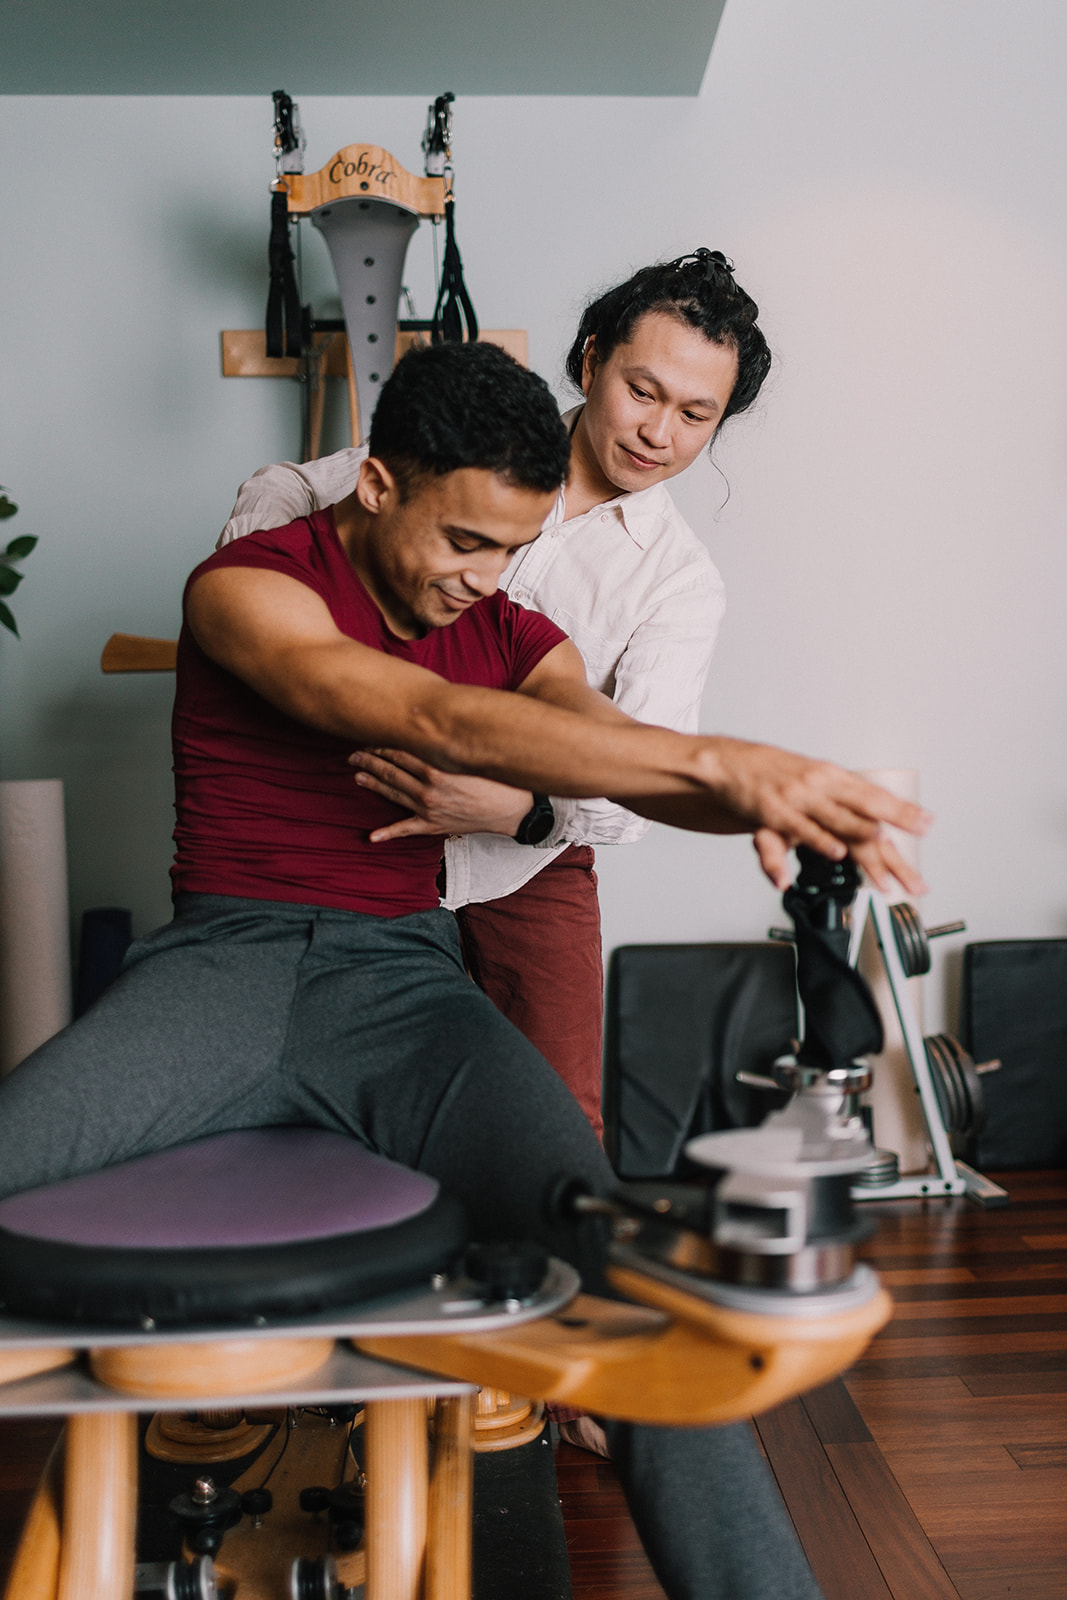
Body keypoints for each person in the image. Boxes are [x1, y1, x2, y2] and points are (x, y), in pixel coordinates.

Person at [0, 342, 928, 1600]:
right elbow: (401, 708)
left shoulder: (513, 629)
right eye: (463, 541)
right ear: (377, 483)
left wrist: (771, 797)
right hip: (222, 964)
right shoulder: (247, 584)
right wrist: (724, 763)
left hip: (404, 992)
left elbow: (609, 750)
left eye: (510, 548)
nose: (481, 581)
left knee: (625, 1281)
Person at [218, 248, 771, 1138]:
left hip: (531, 858)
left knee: (555, 1123)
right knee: (353, 1105)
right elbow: (284, 485)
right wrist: (269, 592)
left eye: (693, 414)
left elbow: (632, 785)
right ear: (590, 360)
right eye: (642, 390)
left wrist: (514, 810)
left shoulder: (678, 583)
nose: (657, 432)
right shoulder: (470, 441)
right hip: (356, 816)